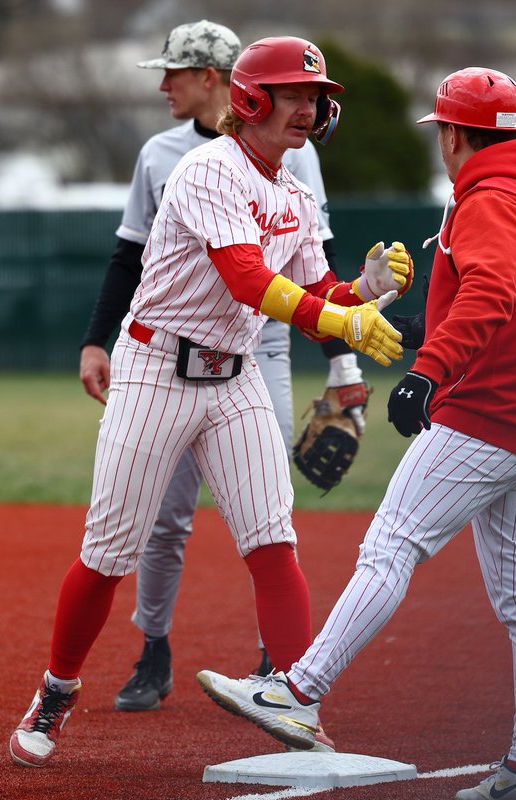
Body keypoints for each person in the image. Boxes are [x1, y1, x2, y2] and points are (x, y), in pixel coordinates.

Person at [9, 35, 410, 769]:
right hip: (155, 368)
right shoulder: (207, 170)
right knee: (109, 551)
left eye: (316, 98)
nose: (310, 108)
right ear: (251, 98)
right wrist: (336, 316)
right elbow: (248, 279)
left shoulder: (294, 192)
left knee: (273, 539)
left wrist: (365, 290)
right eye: (295, 95)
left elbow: (316, 295)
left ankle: (297, 705)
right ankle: (56, 691)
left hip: (235, 376)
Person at [196, 66, 516, 800]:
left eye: (442, 130)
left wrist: (426, 375)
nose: (440, 142)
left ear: (455, 134)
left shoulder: (493, 196)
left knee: (391, 545)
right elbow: (505, 304)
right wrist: (417, 331)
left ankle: (298, 691)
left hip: (487, 415)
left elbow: (491, 296)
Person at [77, 20, 370, 721]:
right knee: (163, 519)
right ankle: (153, 649)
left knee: (270, 517)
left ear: (212, 77)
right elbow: (130, 258)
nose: (164, 83)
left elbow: (317, 268)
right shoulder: (167, 156)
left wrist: (345, 359)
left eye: (175, 71)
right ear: (251, 96)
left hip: (258, 346)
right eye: (296, 95)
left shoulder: (297, 160)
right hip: (166, 350)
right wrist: (96, 340)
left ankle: (281, 674)